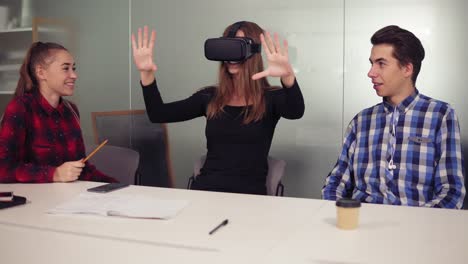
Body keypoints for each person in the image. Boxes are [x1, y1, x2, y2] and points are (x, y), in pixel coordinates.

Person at [131, 22, 304, 195]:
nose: (230, 54)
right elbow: (158, 113)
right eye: (226, 45)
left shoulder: (271, 98)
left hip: (250, 197)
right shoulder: (210, 97)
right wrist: (147, 75)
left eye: (238, 46)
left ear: (254, 52)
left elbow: (296, 111)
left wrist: (288, 77)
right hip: (206, 192)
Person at [322, 25, 465, 208]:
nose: (371, 73)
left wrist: (418, 227)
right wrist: (343, 216)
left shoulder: (440, 115)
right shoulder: (361, 121)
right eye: (371, 63)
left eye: (381, 63)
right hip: (362, 225)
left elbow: (451, 191)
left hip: (418, 228)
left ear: (407, 69)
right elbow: (335, 182)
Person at [0, 42, 117, 183]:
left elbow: (81, 168)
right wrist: (54, 174)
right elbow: (4, 169)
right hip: (36, 201)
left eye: (73, 68)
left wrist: (118, 186)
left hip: (68, 198)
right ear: (41, 72)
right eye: (65, 68)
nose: (74, 75)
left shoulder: (71, 110)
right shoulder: (20, 108)